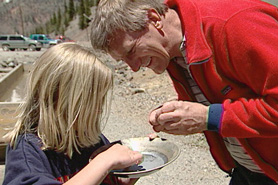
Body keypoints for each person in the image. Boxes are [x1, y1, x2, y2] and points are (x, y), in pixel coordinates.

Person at [90, 0, 278, 184]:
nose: (134, 67)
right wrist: (180, 114)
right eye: (124, 60)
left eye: (131, 51)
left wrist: (208, 117)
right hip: (251, 170)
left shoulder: (235, 24)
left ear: (153, 18)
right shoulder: (173, 52)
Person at [3, 42, 142, 185]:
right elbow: (102, 165)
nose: (100, 109)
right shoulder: (26, 150)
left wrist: (125, 176)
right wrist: (104, 161)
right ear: (63, 102)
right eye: (95, 102)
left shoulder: (91, 139)